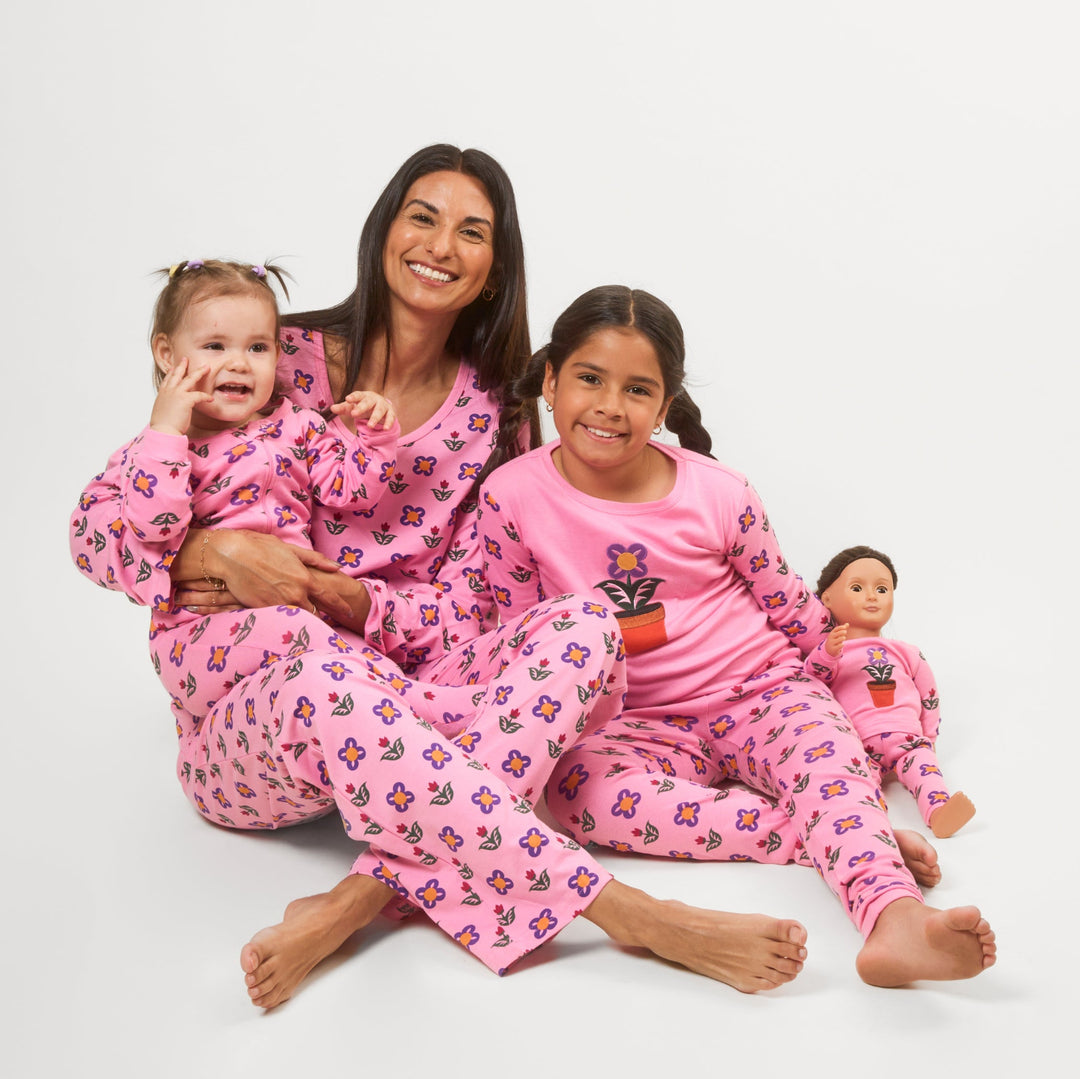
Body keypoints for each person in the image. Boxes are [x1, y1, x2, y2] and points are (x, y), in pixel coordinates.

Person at [70, 147, 809, 1006]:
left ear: (496, 268)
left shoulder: (497, 413)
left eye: (472, 231)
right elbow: (98, 530)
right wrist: (214, 554)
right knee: (324, 676)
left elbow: (474, 607)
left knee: (584, 624)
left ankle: (359, 898)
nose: (441, 244)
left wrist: (357, 601)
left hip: (417, 697)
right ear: (384, 229)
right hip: (261, 721)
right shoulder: (269, 355)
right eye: (422, 216)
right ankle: (627, 912)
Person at [478, 285, 996, 987]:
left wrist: (834, 666)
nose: (609, 405)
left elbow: (786, 597)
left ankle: (896, 920)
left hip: (761, 689)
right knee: (574, 795)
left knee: (826, 761)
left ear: (665, 405)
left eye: (637, 389)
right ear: (550, 380)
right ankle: (837, 834)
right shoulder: (510, 495)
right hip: (634, 720)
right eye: (589, 378)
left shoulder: (719, 491)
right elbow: (525, 635)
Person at [95, 257, 399, 717]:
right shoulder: (154, 448)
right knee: (324, 648)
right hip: (196, 640)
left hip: (293, 629)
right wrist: (167, 432)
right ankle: (413, 706)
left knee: (357, 659)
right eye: (215, 346)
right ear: (166, 354)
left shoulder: (298, 426)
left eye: (257, 347)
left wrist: (374, 436)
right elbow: (155, 527)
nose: (238, 363)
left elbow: (350, 491)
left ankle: (410, 709)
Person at [806, 546, 975, 839]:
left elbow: (929, 695)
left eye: (882, 589)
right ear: (827, 598)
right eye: (857, 588)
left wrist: (929, 738)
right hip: (856, 742)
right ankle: (871, 827)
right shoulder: (832, 652)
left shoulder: (907, 652)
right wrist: (826, 653)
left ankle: (939, 812)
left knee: (926, 770)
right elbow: (812, 683)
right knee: (855, 785)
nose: (872, 596)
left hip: (907, 737)